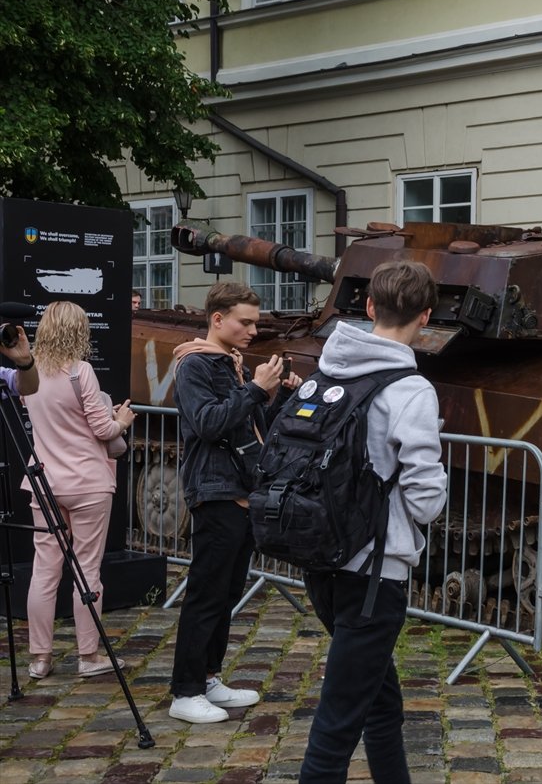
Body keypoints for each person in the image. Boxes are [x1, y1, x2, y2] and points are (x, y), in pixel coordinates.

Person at [299, 261, 448, 782]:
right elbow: (427, 501)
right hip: (373, 575)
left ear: (367, 308)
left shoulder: (328, 371)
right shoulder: (410, 390)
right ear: (426, 316)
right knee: (336, 727)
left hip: (322, 559)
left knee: (380, 704)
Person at [168, 283, 300, 723]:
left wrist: (277, 394)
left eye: (256, 322)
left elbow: (254, 426)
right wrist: (256, 390)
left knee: (226, 592)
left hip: (241, 492)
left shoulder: (234, 365)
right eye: (245, 321)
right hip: (215, 492)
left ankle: (208, 678)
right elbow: (207, 424)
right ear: (218, 319)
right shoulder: (194, 364)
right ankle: (184, 692)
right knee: (206, 595)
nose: (253, 329)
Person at [24, 302, 135, 680]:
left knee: (44, 572)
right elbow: (103, 431)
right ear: (79, 331)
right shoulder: (80, 371)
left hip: (43, 483)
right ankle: (89, 657)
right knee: (87, 571)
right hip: (87, 483)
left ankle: (40, 658)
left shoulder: (29, 372)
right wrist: (121, 419)